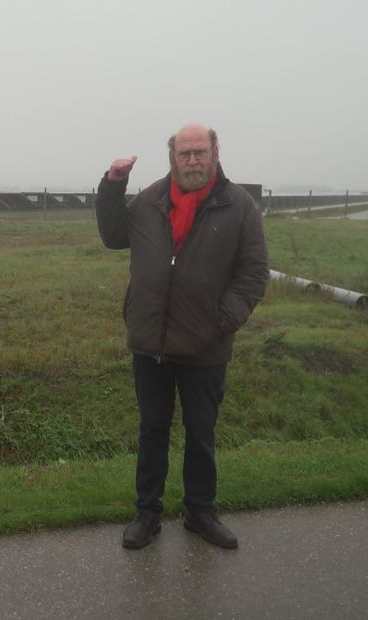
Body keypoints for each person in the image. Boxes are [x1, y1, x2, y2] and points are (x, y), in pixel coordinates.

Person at [95, 124, 268, 550]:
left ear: (215, 153)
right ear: (172, 156)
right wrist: (113, 186)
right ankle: (147, 514)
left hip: (206, 346)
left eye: (200, 153)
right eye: (185, 153)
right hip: (150, 343)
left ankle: (200, 512)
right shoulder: (150, 199)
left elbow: (253, 272)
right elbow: (113, 236)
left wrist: (221, 321)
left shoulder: (238, 205)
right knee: (152, 430)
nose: (192, 160)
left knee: (201, 433)